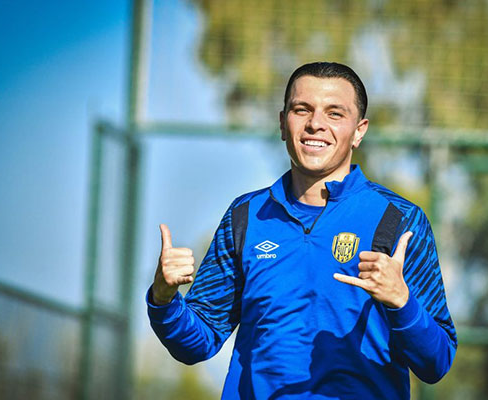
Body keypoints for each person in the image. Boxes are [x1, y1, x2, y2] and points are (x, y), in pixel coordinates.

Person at [147, 62, 457, 399]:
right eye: (302, 110)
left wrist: (402, 302)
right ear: (283, 123)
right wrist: (164, 299)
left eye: (334, 113)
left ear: (359, 131)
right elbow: (197, 343)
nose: (315, 124)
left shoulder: (398, 220)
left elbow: (436, 363)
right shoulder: (245, 216)